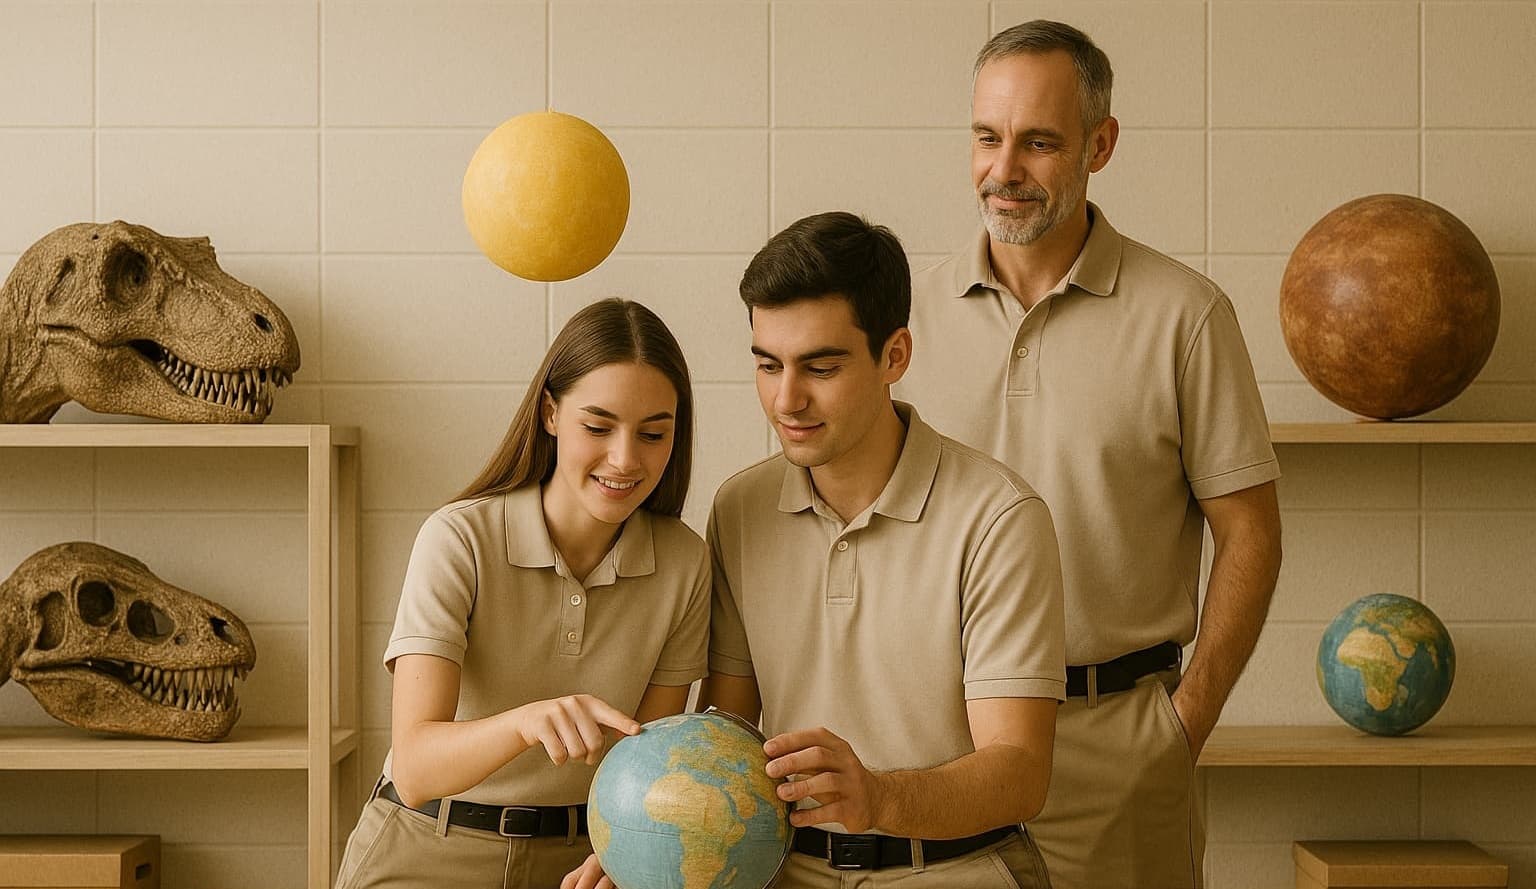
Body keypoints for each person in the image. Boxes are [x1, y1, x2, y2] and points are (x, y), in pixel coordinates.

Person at [897, 20, 1284, 889]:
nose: (1004, 171)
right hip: (939, 746)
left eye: (1039, 143)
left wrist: (1183, 723)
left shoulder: (1186, 316)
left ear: (1100, 145)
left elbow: (1252, 533)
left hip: (1119, 751)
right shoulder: (903, 318)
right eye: (987, 139)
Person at [701, 211, 1066, 888]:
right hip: (781, 871)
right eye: (767, 364)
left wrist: (879, 795)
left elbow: (1020, 770)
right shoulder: (739, 510)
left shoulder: (999, 518)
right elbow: (726, 734)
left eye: (821, 366)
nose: (787, 398)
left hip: (959, 870)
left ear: (894, 355)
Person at [334, 298, 711, 889]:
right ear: (550, 413)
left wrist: (620, 859)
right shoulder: (458, 539)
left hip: (580, 864)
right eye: (598, 426)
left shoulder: (685, 562)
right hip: (426, 852)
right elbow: (414, 768)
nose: (625, 458)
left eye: (653, 433)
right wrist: (528, 722)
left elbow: (645, 764)